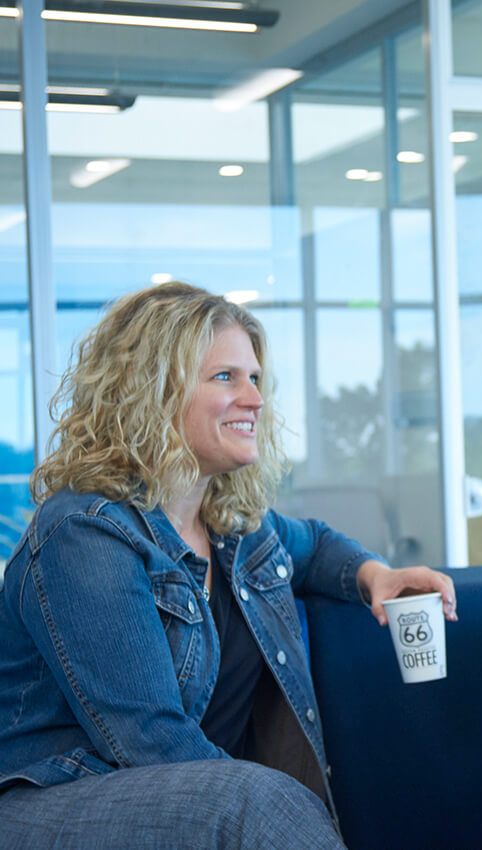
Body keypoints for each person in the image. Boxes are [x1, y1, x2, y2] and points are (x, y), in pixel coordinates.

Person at [0, 282, 458, 848]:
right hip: (58, 803)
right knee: (255, 800)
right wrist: (270, 802)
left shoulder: (236, 528)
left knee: (255, 797)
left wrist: (374, 576)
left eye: (255, 378)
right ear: (154, 391)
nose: (256, 399)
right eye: (226, 377)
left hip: (206, 797)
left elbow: (312, 544)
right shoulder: (85, 532)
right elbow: (152, 743)